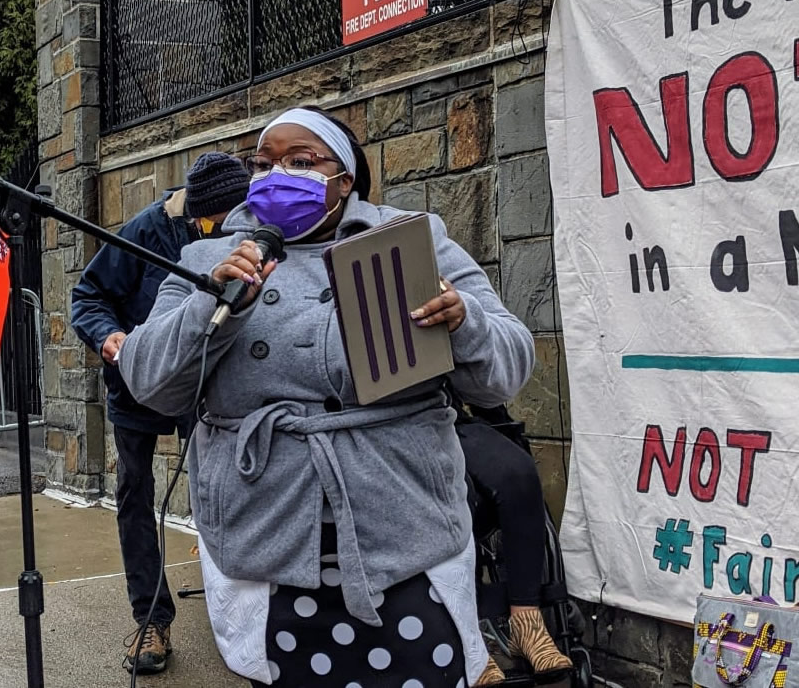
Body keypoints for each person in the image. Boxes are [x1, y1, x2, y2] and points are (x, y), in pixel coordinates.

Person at [120, 108, 535, 687]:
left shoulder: (411, 240)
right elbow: (150, 384)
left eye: (300, 162)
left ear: (345, 179)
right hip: (267, 528)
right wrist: (210, 307)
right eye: (262, 165)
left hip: (400, 521)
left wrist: (465, 324)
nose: (274, 175)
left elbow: (507, 370)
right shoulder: (204, 258)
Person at [70, 151, 274, 674]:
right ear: (193, 215)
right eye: (216, 224)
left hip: (205, 384)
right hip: (137, 381)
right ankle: (151, 619)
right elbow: (86, 296)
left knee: (222, 487)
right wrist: (107, 336)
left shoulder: (254, 227)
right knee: (135, 495)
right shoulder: (144, 231)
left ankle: (242, 605)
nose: (228, 233)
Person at [456, 406, 574, 684]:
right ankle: (467, 640)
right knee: (457, 496)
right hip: (384, 430)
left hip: (441, 409)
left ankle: (526, 624)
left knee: (518, 473)